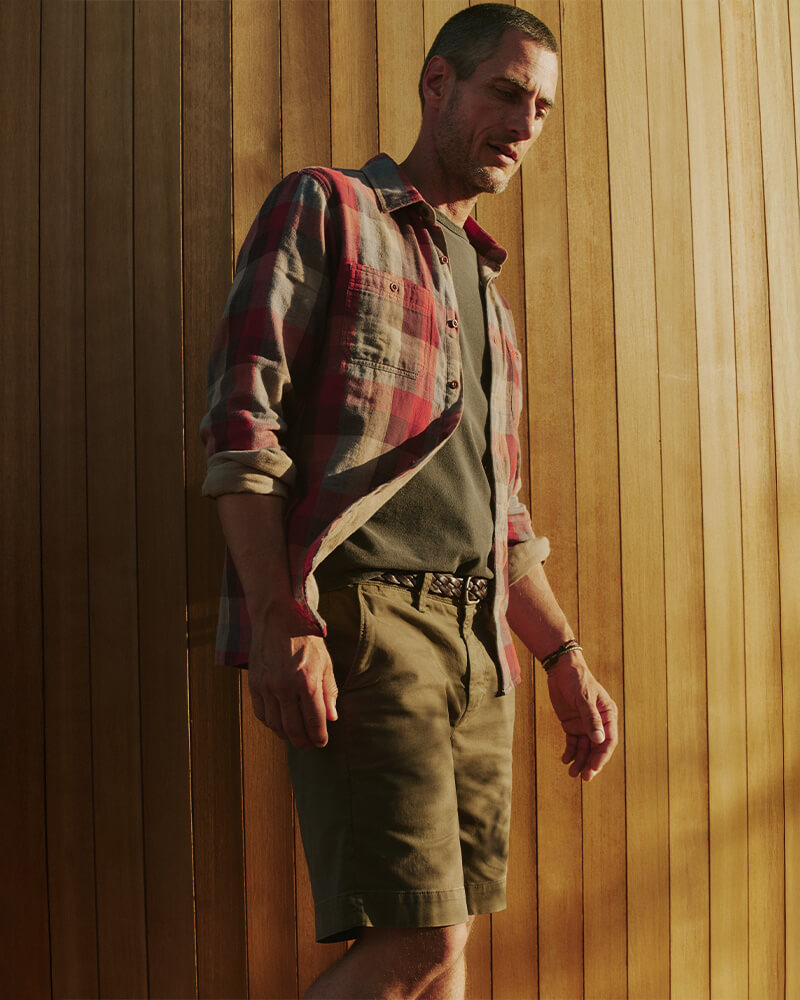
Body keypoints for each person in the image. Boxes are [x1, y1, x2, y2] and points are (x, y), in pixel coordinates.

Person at [200, 5, 618, 998]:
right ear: (438, 86)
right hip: (368, 618)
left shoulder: (485, 290)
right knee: (422, 941)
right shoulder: (328, 209)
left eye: (541, 109)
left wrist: (561, 656)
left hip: (481, 645)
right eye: (505, 93)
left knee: (450, 952)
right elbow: (239, 426)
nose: (523, 123)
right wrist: (277, 613)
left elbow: (499, 510)